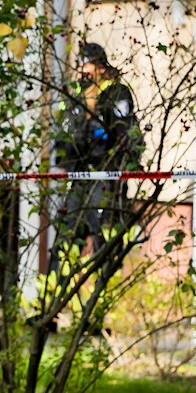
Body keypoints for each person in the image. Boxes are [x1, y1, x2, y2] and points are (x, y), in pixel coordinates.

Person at [56, 41, 143, 245]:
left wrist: (120, 168)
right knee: (68, 232)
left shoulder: (116, 94)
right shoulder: (74, 98)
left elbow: (126, 135)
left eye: (86, 65)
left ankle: (108, 264)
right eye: (79, 65)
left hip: (106, 175)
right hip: (78, 176)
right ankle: (66, 265)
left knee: (104, 232)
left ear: (100, 68)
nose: (81, 71)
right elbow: (64, 136)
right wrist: (64, 164)